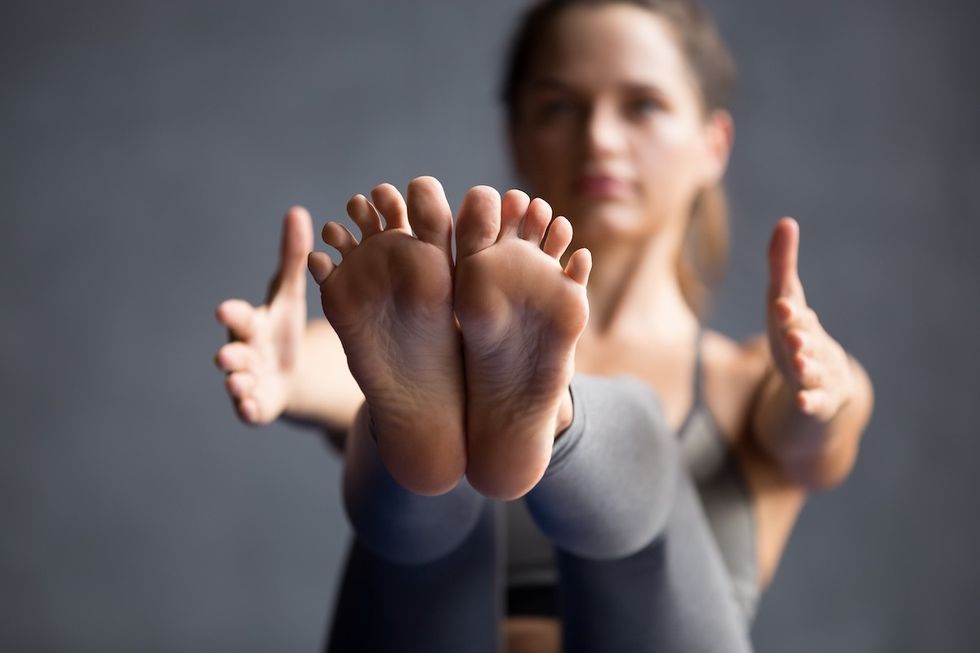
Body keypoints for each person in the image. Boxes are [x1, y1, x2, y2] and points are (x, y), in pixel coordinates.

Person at [213, 1, 874, 651]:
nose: (600, 138)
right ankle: (436, 436)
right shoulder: (439, 342)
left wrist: (829, 389)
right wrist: (287, 367)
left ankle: (557, 415)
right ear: (517, 137)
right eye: (560, 106)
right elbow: (331, 365)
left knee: (626, 434)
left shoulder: (753, 380)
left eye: (642, 104)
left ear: (713, 143)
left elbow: (821, 425)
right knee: (399, 435)